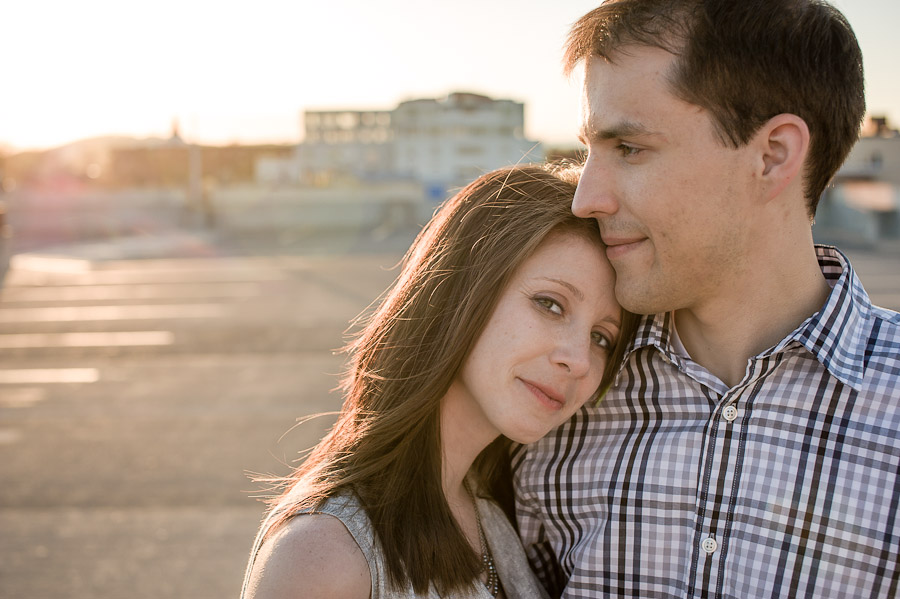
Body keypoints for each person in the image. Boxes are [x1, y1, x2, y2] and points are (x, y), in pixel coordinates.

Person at [513, 1, 900, 598]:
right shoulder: (558, 389)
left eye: (630, 148)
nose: (585, 198)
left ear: (771, 155)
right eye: (590, 149)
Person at [241, 164, 638, 599]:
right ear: (463, 289)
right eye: (550, 304)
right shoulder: (323, 555)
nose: (579, 360)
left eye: (602, 337)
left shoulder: (494, 514)